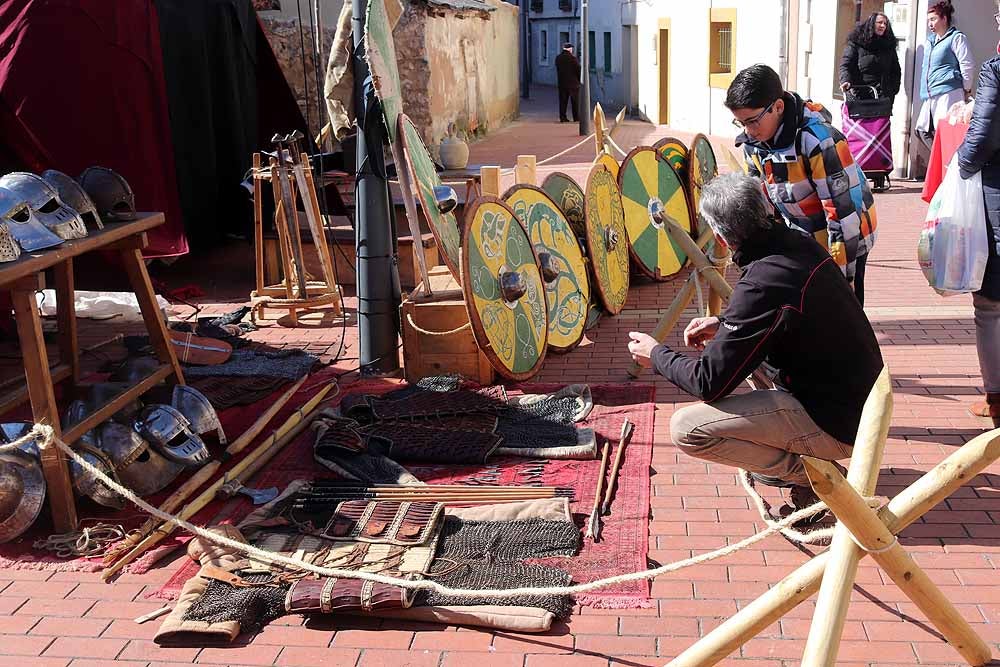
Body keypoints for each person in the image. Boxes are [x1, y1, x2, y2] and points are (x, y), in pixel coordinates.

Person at [627, 173, 884, 522]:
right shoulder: (798, 244)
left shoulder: (763, 281)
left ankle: (820, 476)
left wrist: (655, 354)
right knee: (741, 358)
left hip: (841, 422)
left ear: (720, 236)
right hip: (864, 403)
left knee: (687, 429)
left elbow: (709, 382)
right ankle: (808, 471)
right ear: (765, 208)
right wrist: (723, 326)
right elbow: (788, 315)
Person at [725, 64, 878, 306]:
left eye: (752, 121)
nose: (748, 130)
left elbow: (842, 214)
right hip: (802, 235)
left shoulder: (819, 141)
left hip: (847, 234)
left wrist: (840, 277)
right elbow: (762, 203)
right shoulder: (753, 145)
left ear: (778, 107)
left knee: (842, 310)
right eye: (740, 122)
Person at [955, 6, 1000, 429]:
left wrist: (960, 163)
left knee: (990, 306)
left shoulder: (996, 70)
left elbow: (982, 137)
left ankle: (996, 397)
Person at [839, 12, 901, 192]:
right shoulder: (856, 43)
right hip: (859, 95)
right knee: (859, 137)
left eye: (885, 23)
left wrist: (893, 90)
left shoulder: (889, 46)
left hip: (881, 98)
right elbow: (846, 65)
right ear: (871, 24)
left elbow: (895, 70)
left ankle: (879, 170)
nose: (883, 26)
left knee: (879, 137)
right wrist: (845, 81)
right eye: (880, 22)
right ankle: (856, 168)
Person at [915, 1, 975, 149]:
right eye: (928, 20)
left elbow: (967, 64)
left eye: (933, 19)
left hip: (949, 92)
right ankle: (942, 165)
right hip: (930, 93)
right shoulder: (930, 41)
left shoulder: (956, 38)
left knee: (945, 131)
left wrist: (966, 89)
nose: (930, 23)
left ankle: (945, 166)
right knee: (922, 130)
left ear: (944, 18)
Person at [555, 42, 580, 123]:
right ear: (570, 49)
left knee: (563, 101)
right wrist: (579, 80)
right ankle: (576, 117)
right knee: (575, 102)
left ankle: (563, 117)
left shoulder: (558, 58)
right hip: (573, 84)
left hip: (562, 83)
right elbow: (578, 70)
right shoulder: (573, 59)